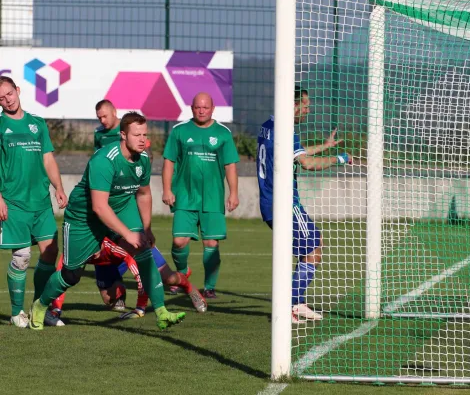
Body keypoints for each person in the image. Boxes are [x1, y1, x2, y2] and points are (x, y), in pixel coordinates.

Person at [50, 100, 205, 321]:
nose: (101, 120)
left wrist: (145, 229)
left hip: (122, 225)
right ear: (124, 136)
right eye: (98, 117)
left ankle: (186, 285)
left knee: (162, 275)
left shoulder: (138, 153)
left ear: (115, 113)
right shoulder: (102, 150)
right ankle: (52, 307)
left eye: (105, 115)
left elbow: (143, 193)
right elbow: (99, 197)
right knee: (108, 298)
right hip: (101, 222)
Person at [256, 85, 351, 324]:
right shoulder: (286, 129)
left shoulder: (268, 126)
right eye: (305, 105)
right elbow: (307, 164)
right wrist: (340, 158)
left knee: (314, 243)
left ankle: (295, 302)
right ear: (293, 105)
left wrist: (325, 147)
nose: (308, 110)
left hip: (270, 202)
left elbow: (294, 154)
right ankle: (290, 304)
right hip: (286, 203)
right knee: (313, 248)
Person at [0, 76, 68, 328]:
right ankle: (17, 313)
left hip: (41, 202)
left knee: (50, 253)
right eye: (1, 98)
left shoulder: (38, 124)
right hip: (14, 202)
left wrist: (58, 188)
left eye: (9, 94)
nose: (7, 100)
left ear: (17, 90)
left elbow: (48, 159)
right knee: (22, 257)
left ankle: (40, 309)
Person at [162, 92, 239, 299]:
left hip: (213, 197)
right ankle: (182, 273)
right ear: (192, 108)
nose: (202, 110)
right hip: (185, 195)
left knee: (211, 244)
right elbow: (169, 161)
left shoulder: (223, 133)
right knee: (179, 241)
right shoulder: (179, 130)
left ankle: (210, 286)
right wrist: (167, 189)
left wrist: (233, 193)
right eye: (198, 107)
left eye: (205, 107)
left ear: (213, 108)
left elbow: (230, 164)